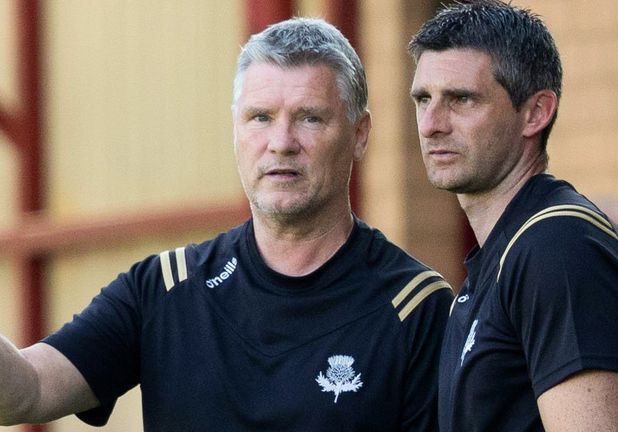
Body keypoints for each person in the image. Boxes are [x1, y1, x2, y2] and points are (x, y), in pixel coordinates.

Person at [0, 18, 454, 430]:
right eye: (260, 118)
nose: (281, 142)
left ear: (359, 135)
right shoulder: (164, 288)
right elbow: (27, 392)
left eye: (310, 118)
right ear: (235, 131)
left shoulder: (416, 307)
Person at [408, 1, 618, 431]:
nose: (432, 123)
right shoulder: (506, 256)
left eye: (461, 99)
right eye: (423, 99)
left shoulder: (558, 246)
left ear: (536, 112)